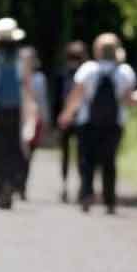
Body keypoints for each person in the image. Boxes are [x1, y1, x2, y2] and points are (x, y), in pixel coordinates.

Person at [59, 33, 137, 214]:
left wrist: (66, 115)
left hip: (87, 122)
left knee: (86, 160)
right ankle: (109, 200)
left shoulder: (88, 69)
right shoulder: (125, 71)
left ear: (97, 50)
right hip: (114, 123)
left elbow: (76, 96)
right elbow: (130, 100)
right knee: (109, 161)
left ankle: (86, 194)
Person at [0, 18, 35, 209]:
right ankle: (9, 184)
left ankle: (1, 184)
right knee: (14, 149)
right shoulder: (24, 58)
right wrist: (30, 113)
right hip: (16, 109)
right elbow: (27, 87)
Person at [52, 41, 88, 203]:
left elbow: (56, 99)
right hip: (81, 119)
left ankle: (66, 185)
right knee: (82, 155)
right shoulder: (86, 73)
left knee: (66, 155)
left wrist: (56, 120)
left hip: (67, 118)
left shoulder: (63, 73)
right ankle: (80, 187)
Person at [19, 46, 49, 200]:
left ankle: (22, 185)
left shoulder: (39, 78)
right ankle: (17, 183)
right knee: (17, 154)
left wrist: (44, 120)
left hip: (33, 120)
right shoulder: (15, 76)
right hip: (17, 119)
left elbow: (42, 102)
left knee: (28, 155)